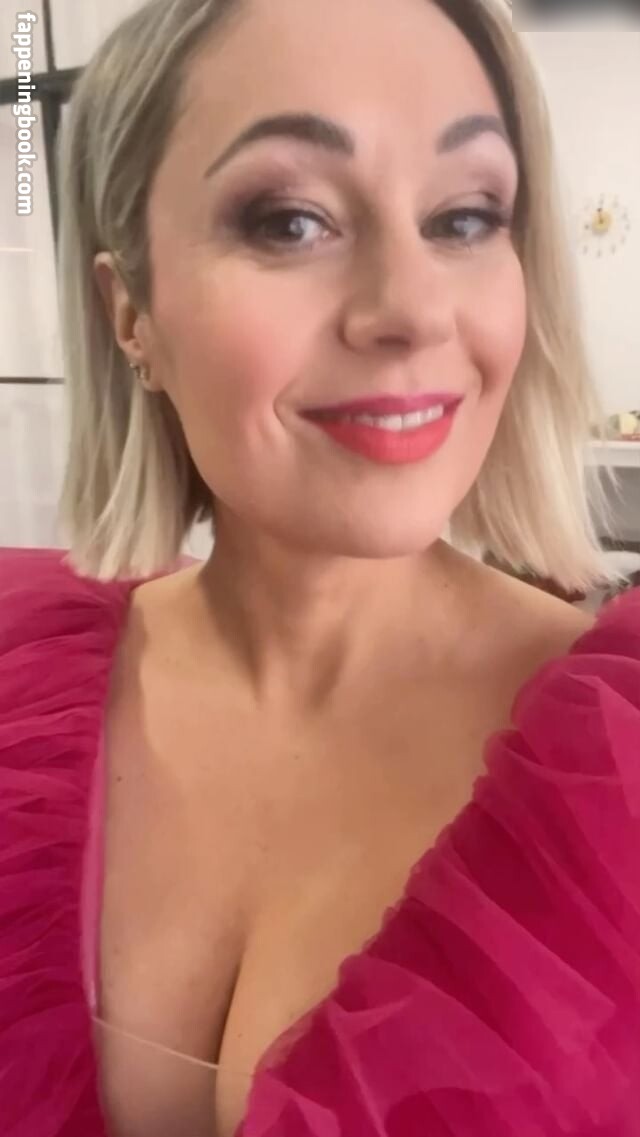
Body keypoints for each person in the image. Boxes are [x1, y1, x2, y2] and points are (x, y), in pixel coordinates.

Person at [1, 0, 639, 1134]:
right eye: (289, 221)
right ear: (129, 311)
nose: (411, 311)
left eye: (463, 217)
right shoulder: (17, 688)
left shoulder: (616, 767)